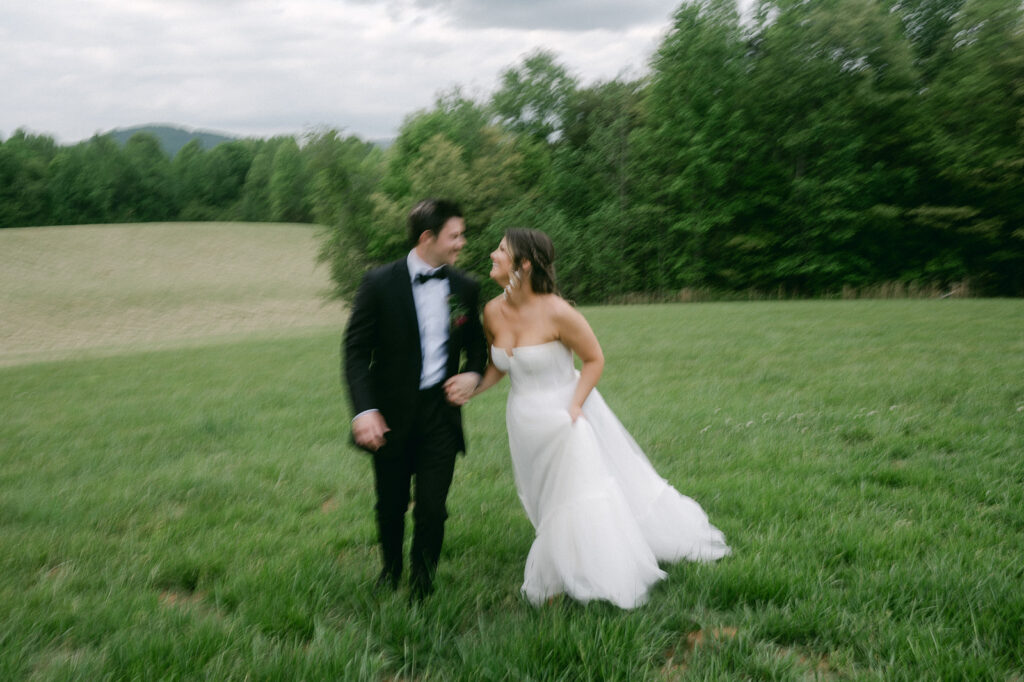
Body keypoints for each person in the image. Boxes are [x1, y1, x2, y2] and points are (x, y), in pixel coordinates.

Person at [465, 228, 730, 609]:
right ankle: (565, 556)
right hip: (524, 421)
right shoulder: (491, 311)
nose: (492, 254)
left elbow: (594, 359)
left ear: (523, 264)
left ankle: (594, 577)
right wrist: (469, 389)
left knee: (577, 496)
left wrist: (574, 407)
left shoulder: (558, 311)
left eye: (501, 250)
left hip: (566, 417)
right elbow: (499, 366)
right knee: (542, 496)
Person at [343, 198, 486, 600]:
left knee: (432, 506)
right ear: (428, 237)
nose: (461, 243)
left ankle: (422, 585)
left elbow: (477, 346)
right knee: (389, 504)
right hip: (389, 415)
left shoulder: (465, 288)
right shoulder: (377, 284)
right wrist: (364, 411)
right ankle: (390, 571)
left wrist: (473, 374)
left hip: (440, 415)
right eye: (454, 235)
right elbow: (355, 351)